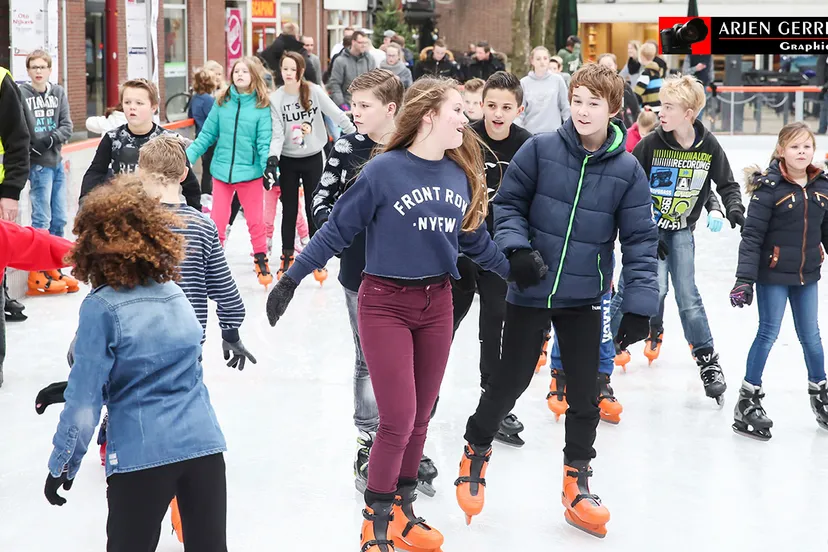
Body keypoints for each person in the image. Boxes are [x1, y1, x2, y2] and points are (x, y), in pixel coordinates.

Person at [266, 77, 545, 552]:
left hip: (436, 303)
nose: (467, 118)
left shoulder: (458, 174)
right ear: (430, 116)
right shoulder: (383, 172)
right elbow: (336, 230)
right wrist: (293, 277)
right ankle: (374, 522)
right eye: (458, 110)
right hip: (384, 303)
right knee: (396, 417)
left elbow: (471, 239)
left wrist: (512, 270)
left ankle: (403, 510)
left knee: (418, 418)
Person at [455, 63, 658, 538]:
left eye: (596, 103)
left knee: (585, 392)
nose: (585, 111)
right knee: (510, 381)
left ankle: (577, 483)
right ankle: (475, 448)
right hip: (531, 287)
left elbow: (641, 240)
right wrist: (517, 250)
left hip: (585, 295)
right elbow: (507, 205)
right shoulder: (541, 149)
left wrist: (640, 303)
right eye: (579, 100)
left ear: (613, 110)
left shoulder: (627, 169)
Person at [42, 179, 230, 552]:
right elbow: (171, 367)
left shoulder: (102, 307)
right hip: (204, 449)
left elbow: (84, 406)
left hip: (142, 456)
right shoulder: (175, 293)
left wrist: (63, 462)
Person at [310, 69, 442, 496]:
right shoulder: (347, 147)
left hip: (417, 275)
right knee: (370, 359)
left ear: (391, 109)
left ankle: (409, 440)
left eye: (364, 105)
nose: (354, 112)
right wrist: (342, 228)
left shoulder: (416, 146)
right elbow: (321, 201)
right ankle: (371, 440)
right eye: (353, 104)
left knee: (419, 363)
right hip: (360, 275)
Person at [609, 75, 745, 402]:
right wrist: (640, 229)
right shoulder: (650, 144)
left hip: (682, 230)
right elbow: (629, 188)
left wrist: (734, 208)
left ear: (689, 113)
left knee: (688, 295)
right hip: (649, 233)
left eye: (668, 107)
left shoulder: (708, 145)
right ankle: (603, 346)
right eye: (660, 106)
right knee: (642, 287)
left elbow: (726, 183)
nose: (660, 112)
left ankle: (707, 359)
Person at [730, 122, 828, 440]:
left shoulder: (821, 186)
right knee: (768, 332)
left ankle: (820, 392)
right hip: (772, 274)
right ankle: (748, 397)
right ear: (781, 150)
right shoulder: (768, 188)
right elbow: (752, 236)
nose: (802, 152)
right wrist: (744, 279)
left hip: (806, 273)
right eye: (795, 146)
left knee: (811, 336)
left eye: (807, 146)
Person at [452, 71, 533, 446]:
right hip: (460, 247)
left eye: (506, 107)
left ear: (519, 108)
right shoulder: (463, 137)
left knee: (494, 328)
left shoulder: (528, 146)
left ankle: (493, 403)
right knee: (443, 325)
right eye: (491, 105)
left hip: (500, 252)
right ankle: (422, 396)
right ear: (480, 105)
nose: (498, 114)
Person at [266, 51, 355, 280]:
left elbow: (335, 114)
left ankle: (317, 256)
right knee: (289, 209)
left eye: (292, 69)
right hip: (288, 159)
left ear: (300, 71)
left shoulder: (313, 92)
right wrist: (272, 159)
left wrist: (356, 135)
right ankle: (287, 254)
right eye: (284, 69)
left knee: (312, 206)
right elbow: (277, 134)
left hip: (313, 156)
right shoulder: (276, 99)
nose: (287, 74)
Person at [186, 57, 274, 288]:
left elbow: (264, 142)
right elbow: (206, 135)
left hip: (251, 173)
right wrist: (187, 159)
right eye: (236, 71)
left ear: (253, 76)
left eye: (245, 71)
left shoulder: (261, 106)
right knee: (218, 220)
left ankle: (261, 257)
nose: (240, 75)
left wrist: (268, 169)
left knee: (255, 220)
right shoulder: (222, 102)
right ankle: (214, 260)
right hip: (222, 171)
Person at [80, 79, 202, 211]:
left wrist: (195, 212)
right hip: (124, 212)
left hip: (160, 213)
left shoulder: (171, 140)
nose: (132, 107)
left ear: (153, 107)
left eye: (139, 103)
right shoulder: (112, 138)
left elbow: (190, 182)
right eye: (127, 102)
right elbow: (95, 172)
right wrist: (85, 204)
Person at [19, 49, 77, 294]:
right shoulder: (22, 94)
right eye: (34, 67)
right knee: (41, 219)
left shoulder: (58, 92)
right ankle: (38, 271)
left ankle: (54, 264)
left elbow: (67, 126)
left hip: (56, 161)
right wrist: (35, 143)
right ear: (29, 71)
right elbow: (21, 125)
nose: (39, 71)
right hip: (38, 165)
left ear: (50, 70)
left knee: (60, 218)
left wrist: (50, 139)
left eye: (43, 67)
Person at [516, 46, 570, 134]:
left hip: (553, 133)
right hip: (530, 134)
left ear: (549, 60)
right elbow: (520, 112)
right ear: (532, 61)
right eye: (538, 59)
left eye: (545, 58)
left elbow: (565, 108)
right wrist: (521, 133)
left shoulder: (558, 80)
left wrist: (567, 131)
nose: (542, 62)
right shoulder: (523, 83)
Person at [188, 69, 217, 209]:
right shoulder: (208, 100)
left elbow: (190, 116)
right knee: (211, 169)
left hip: (200, 136)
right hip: (212, 139)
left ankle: (206, 194)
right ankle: (209, 194)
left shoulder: (195, 98)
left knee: (206, 168)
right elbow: (215, 119)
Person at [327, 30, 376, 109]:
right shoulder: (340, 61)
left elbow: (375, 81)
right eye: (361, 43)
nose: (363, 45)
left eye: (365, 43)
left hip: (365, 103)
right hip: (347, 102)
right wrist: (341, 103)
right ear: (353, 42)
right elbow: (335, 84)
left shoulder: (369, 59)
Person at [258, 22, 318, 86]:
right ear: (296, 35)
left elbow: (259, 67)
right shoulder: (299, 51)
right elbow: (309, 73)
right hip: (292, 88)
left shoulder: (268, 51)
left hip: (273, 88)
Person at [597, 53, 639, 128]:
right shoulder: (594, 88)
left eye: (609, 65)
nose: (606, 69)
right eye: (602, 66)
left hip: (621, 128)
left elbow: (635, 110)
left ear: (615, 66)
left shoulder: (624, 86)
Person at [633, 43, 663, 112]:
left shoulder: (646, 74)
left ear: (641, 56)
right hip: (658, 107)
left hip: (648, 108)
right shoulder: (657, 72)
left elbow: (638, 92)